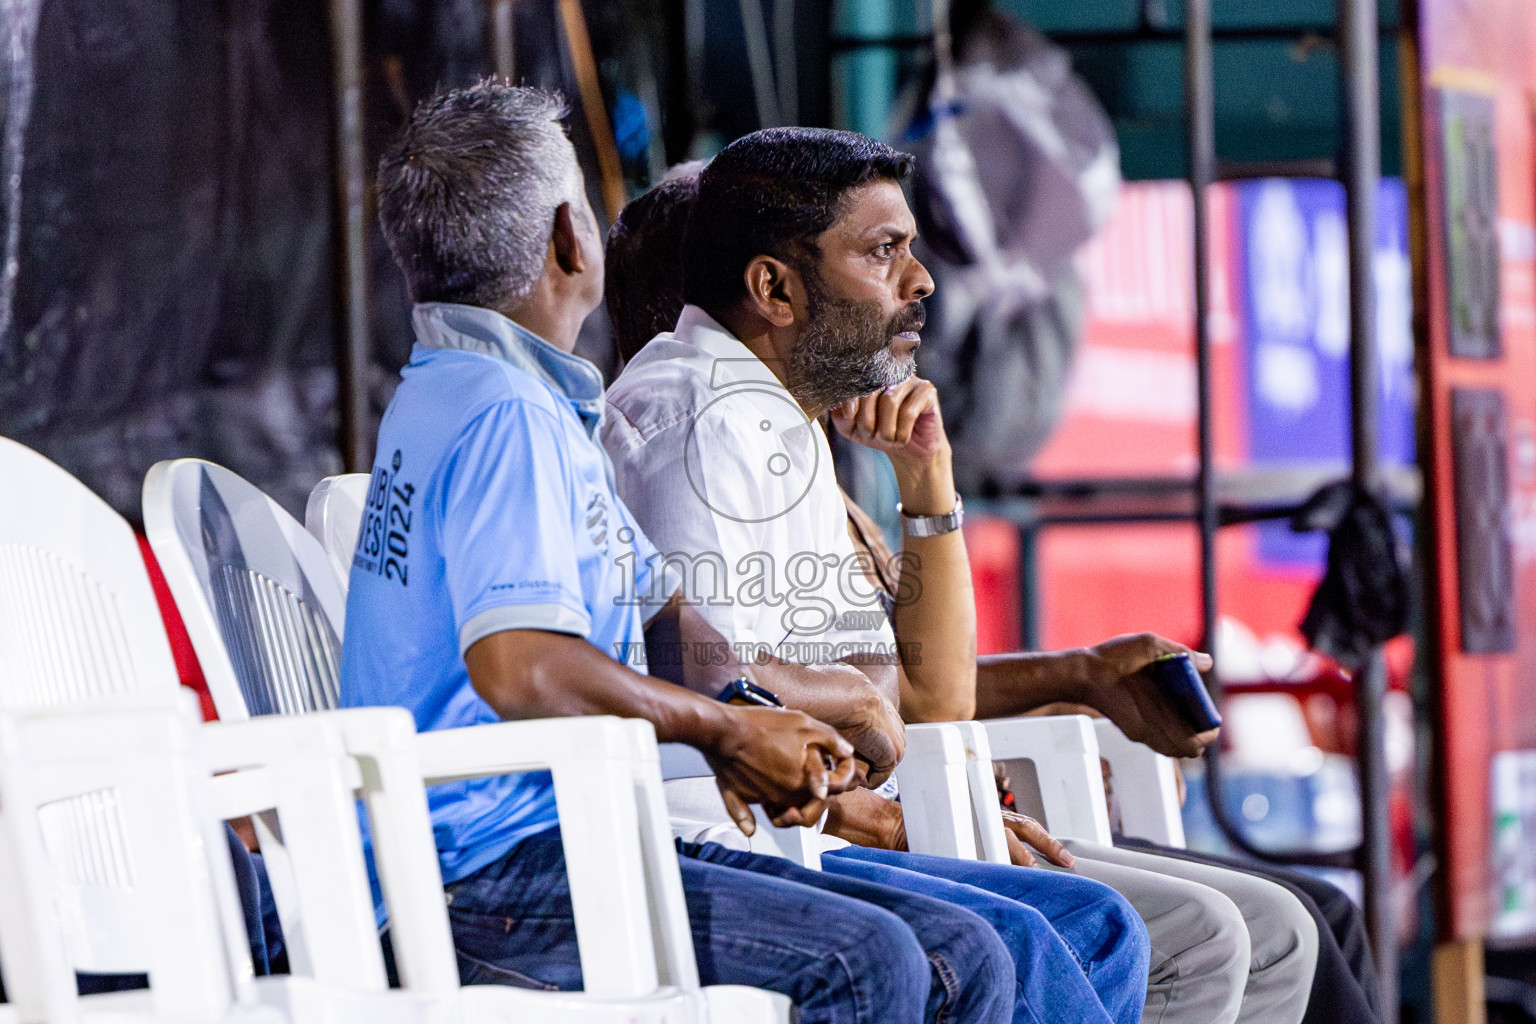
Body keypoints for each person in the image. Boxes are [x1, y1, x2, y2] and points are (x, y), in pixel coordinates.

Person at [342, 81, 1033, 1024]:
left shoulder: (496, 398)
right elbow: (520, 664)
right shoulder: (504, 417)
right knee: (873, 964)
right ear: (566, 240)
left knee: (963, 947)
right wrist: (726, 732)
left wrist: (774, 706)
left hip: (559, 839)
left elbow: (665, 619)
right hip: (490, 873)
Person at [600, 133, 1325, 1024]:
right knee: (1102, 930)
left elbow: (917, 699)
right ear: (773, 289)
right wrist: (911, 808)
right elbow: (717, 695)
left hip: (851, 810)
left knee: (1253, 924)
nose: (922, 281)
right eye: (882, 252)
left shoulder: (776, 420)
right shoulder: (690, 420)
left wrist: (927, 480)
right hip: (738, 837)